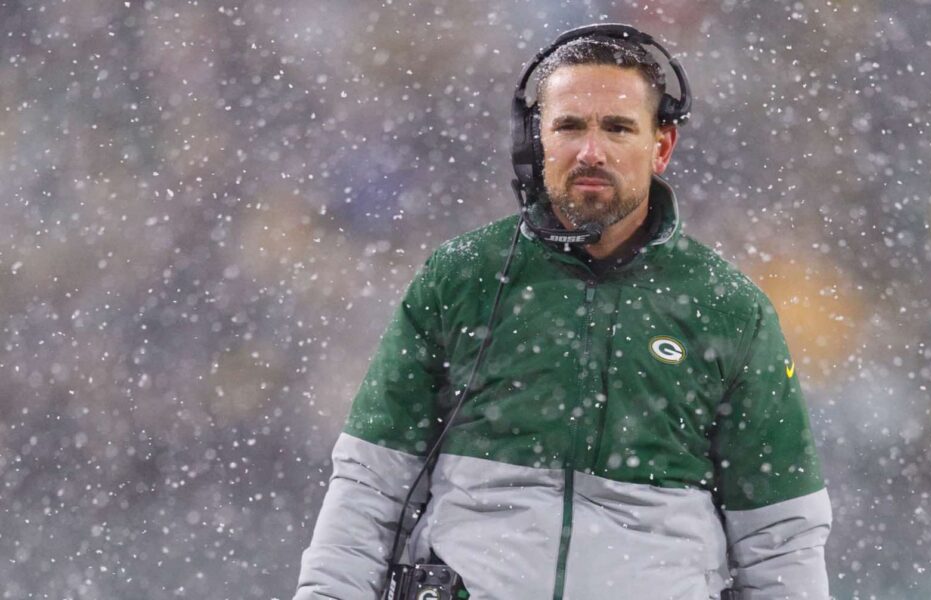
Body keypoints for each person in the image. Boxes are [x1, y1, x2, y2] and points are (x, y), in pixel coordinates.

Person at [295, 23, 831, 600]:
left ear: (661, 147)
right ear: (535, 142)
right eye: (570, 126)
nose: (591, 151)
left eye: (618, 127)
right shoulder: (459, 278)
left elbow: (780, 538)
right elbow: (369, 488)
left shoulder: (730, 310)